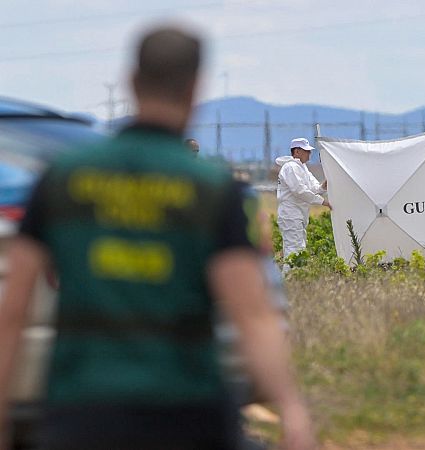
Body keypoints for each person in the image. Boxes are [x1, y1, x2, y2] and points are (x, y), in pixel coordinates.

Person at [0, 25, 314, 450]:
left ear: (131, 81)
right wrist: (290, 408)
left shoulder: (62, 179)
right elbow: (252, 314)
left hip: (82, 409)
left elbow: (13, 311)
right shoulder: (213, 189)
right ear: (195, 88)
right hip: (189, 408)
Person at [275, 137, 330, 265]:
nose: (309, 154)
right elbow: (299, 190)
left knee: (299, 249)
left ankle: (295, 278)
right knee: (294, 250)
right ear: (297, 151)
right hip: (290, 214)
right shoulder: (290, 167)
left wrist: (323, 186)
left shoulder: (302, 168)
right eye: (306, 151)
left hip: (298, 215)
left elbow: (312, 188)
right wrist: (322, 201)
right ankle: (290, 279)